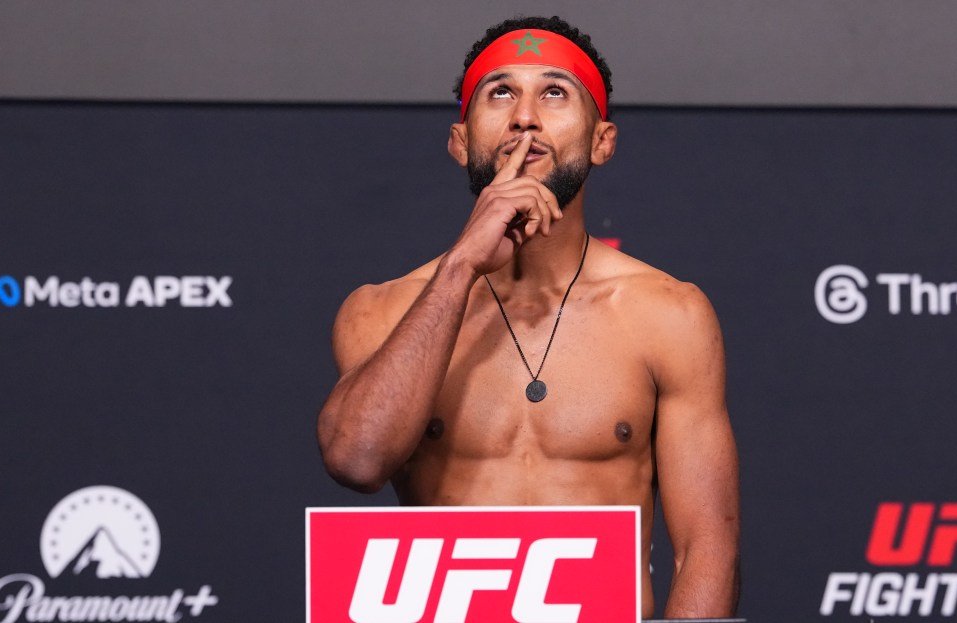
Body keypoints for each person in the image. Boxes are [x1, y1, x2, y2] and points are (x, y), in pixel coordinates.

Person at [316, 15, 739, 618]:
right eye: (500, 93)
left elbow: (707, 550)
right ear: (461, 142)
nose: (525, 117)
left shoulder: (668, 314)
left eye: (555, 92)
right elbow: (357, 460)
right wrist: (461, 266)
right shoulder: (381, 310)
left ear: (602, 142)